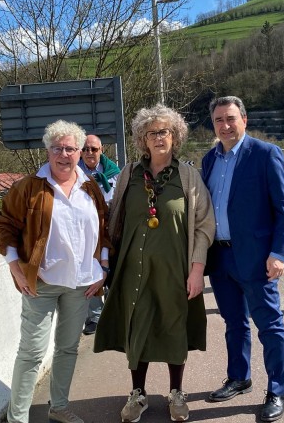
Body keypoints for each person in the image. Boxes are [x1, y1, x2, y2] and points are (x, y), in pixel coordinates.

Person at [94, 104, 215, 423]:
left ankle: (177, 393)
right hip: (133, 270)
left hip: (176, 270)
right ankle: (138, 394)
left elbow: (204, 225)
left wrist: (197, 268)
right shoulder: (128, 175)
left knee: (174, 328)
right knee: (137, 328)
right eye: (152, 133)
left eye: (165, 131)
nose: (159, 137)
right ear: (142, 139)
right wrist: (104, 262)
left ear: (175, 137)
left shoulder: (189, 175)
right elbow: (111, 219)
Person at [0, 120, 111, 423]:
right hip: (41, 284)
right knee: (32, 353)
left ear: (80, 152)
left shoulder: (90, 186)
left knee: (68, 348)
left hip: (81, 284)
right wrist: (16, 268)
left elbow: (105, 228)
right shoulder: (29, 187)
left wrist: (103, 267)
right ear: (48, 151)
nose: (64, 154)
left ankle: (58, 407)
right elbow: (5, 225)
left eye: (70, 148)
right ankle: (17, 418)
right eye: (57, 148)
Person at [201, 96, 284, 422]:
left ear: (244, 119)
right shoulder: (209, 159)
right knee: (234, 324)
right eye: (218, 120)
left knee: (270, 326)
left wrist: (279, 253)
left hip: (257, 260)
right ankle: (239, 377)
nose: (225, 126)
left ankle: (277, 390)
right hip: (221, 258)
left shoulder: (266, 154)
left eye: (230, 118)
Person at [78, 134, 120, 335]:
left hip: (112, 228)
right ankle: (94, 317)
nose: (89, 153)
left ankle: (113, 314)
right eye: (85, 149)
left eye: (93, 149)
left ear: (101, 150)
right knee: (90, 271)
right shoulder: (73, 173)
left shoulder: (115, 173)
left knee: (114, 271)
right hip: (86, 233)